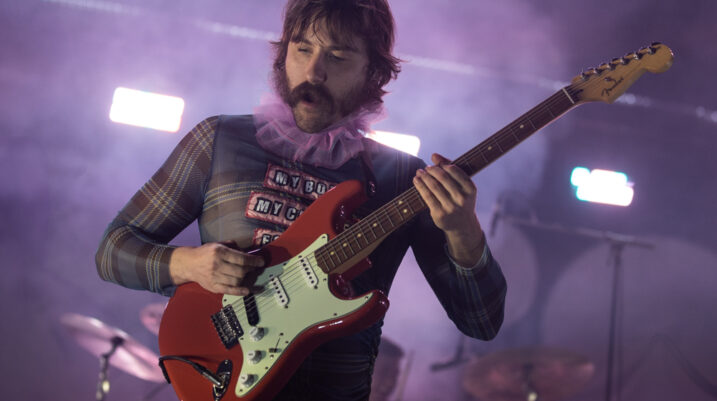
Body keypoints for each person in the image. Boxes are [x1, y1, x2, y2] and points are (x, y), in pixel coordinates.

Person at [95, 0, 507, 400]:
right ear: (283, 55)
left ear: (373, 72)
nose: (313, 71)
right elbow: (112, 251)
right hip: (226, 379)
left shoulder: (401, 177)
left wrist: (463, 231)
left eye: (338, 56)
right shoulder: (220, 140)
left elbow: (481, 322)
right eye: (302, 49)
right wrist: (186, 264)